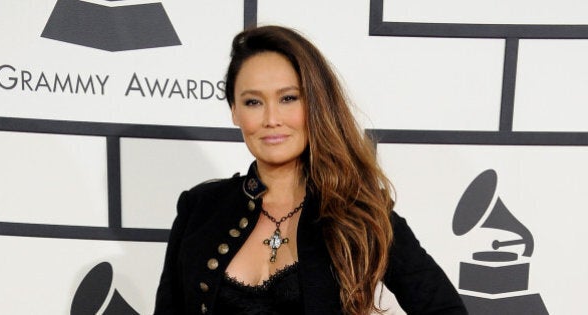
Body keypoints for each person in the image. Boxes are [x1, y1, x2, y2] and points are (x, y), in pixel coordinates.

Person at [154, 25, 467, 315]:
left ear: (314, 105)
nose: (271, 119)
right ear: (234, 111)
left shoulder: (359, 212)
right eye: (253, 102)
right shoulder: (199, 208)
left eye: (289, 98)